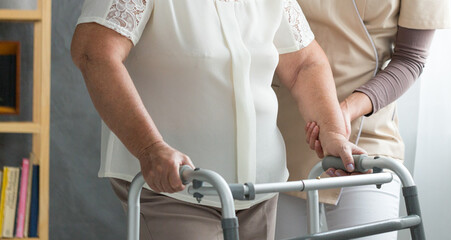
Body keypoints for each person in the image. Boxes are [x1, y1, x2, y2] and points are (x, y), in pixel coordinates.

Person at [71, 0, 363, 239]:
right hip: (174, 186)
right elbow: (93, 52)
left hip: (261, 190)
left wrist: (333, 132)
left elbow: (305, 64)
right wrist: (149, 148)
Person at [274, 0, 450, 239]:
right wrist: (328, 120)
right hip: (283, 140)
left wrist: (341, 114)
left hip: (365, 142)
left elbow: (411, 58)